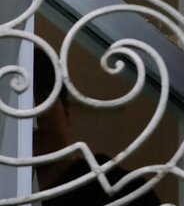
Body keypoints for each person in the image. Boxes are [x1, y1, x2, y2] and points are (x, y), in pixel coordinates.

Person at [32, 46, 161, 205]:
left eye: (42, 99)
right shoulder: (9, 194)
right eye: (24, 106)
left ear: (66, 110)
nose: (35, 118)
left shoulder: (121, 190)